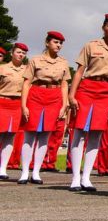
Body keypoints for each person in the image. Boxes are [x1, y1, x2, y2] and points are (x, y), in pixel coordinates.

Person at [67, 15, 108, 191]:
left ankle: (86, 177)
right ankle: (75, 177)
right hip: (87, 87)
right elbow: (79, 72)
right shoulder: (91, 45)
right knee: (79, 132)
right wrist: (72, 95)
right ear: (103, 27)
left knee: (96, 134)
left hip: (106, 90)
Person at [18, 32, 71, 185]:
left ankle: (36, 172)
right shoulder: (35, 60)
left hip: (54, 96)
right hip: (36, 94)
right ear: (47, 42)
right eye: (55, 42)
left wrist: (64, 104)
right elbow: (26, 83)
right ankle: (25, 171)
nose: (58, 45)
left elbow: (64, 85)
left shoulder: (63, 62)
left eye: (61, 43)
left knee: (45, 136)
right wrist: (24, 105)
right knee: (30, 135)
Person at [0, 44, 30, 180]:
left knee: (10, 136)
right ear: (12, 53)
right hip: (2, 101)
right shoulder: (2, 68)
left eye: (23, 53)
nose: (21, 55)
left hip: (17, 104)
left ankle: (2, 168)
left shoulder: (27, 70)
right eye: (18, 52)